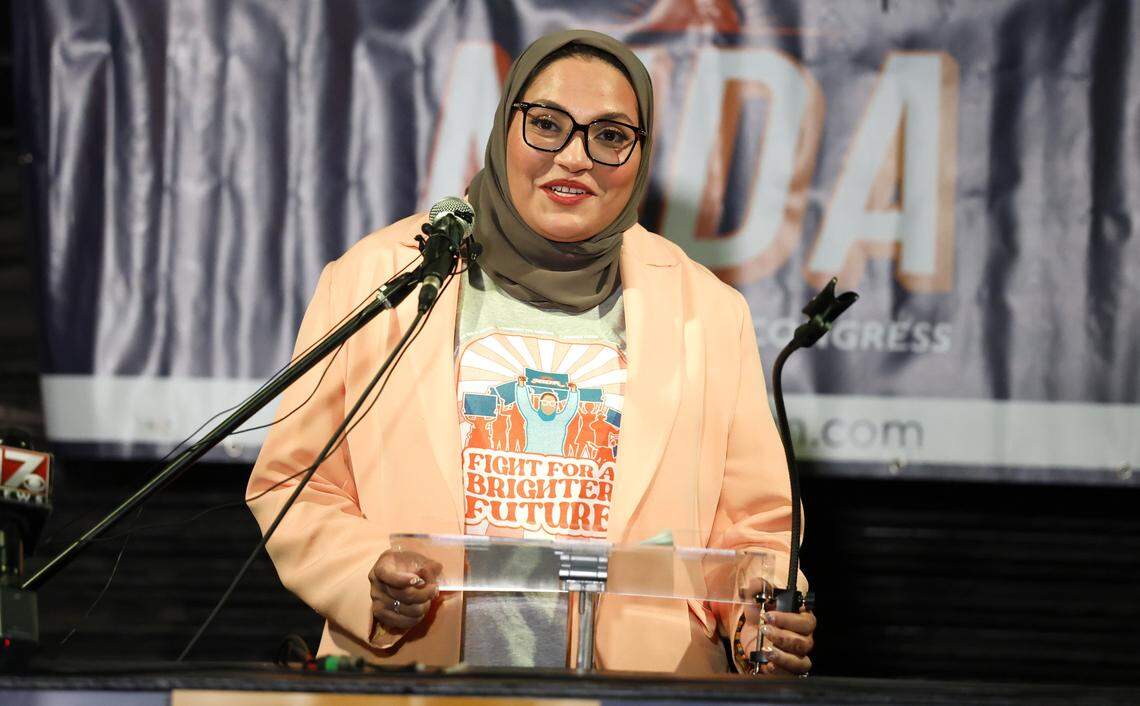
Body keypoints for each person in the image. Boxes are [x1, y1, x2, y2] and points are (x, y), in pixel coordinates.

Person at [247, 29, 814, 675]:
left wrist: (759, 621)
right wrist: (365, 573)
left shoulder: (706, 310)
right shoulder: (382, 278)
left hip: (640, 686)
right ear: (504, 127)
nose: (574, 157)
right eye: (546, 124)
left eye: (610, 135)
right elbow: (298, 482)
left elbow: (758, 526)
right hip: (414, 679)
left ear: (641, 152)